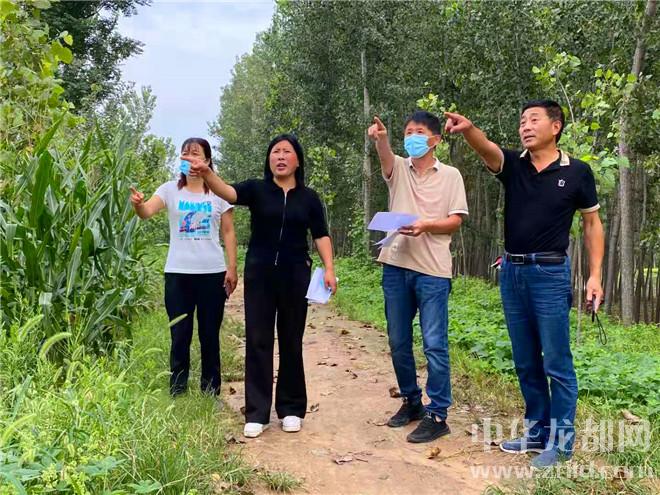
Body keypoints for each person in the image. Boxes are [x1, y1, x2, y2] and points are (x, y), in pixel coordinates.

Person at [445, 100, 605, 469]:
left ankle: (561, 444)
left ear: (556, 126)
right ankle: (536, 432)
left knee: (557, 363)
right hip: (512, 273)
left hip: (550, 274)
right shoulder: (513, 165)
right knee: (525, 360)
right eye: (522, 122)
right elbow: (487, 148)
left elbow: (592, 224)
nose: (525, 127)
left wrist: (595, 275)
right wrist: (468, 130)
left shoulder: (578, 172)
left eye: (534, 120)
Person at [186, 134, 336, 438]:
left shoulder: (309, 198)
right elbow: (228, 192)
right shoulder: (257, 189)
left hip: (295, 274)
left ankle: (291, 409)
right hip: (260, 274)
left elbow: (320, 234)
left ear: (297, 160)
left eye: (286, 152)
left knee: (292, 340)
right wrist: (207, 173)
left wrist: (329, 268)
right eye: (275, 152)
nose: (280, 156)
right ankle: (257, 413)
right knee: (258, 339)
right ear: (269, 159)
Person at [368, 110, 469, 443]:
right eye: (408, 132)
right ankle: (412, 401)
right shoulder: (399, 168)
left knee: (434, 344)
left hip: (433, 271)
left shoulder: (451, 175)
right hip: (396, 266)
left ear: (435, 139)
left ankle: (438, 414)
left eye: (419, 132)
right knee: (398, 341)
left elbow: (455, 220)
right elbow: (385, 156)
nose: (412, 137)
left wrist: (426, 225)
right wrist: (382, 139)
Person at [129, 137, 238, 398]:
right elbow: (147, 212)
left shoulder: (219, 193)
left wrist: (232, 268)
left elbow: (229, 231)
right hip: (178, 273)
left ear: (207, 160)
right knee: (180, 334)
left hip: (212, 273)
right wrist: (138, 205)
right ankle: (178, 390)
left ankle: (210, 390)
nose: (189, 158)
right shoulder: (169, 190)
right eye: (185, 153)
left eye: (195, 154)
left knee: (209, 334)